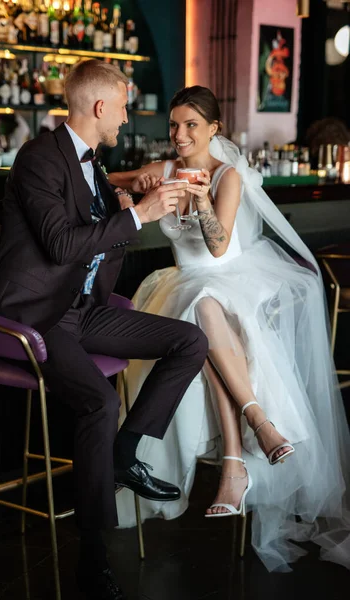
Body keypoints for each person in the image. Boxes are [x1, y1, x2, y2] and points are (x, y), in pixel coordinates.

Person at [0, 62, 209, 600]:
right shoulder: (38, 157)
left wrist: (128, 201)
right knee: (98, 405)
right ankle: (92, 555)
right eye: (125, 106)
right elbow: (62, 246)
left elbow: (95, 241)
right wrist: (139, 216)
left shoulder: (94, 166)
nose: (129, 118)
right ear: (99, 108)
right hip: (38, 314)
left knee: (189, 341)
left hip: (83, 309)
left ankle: (124, 455)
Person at [109, 86, 350, 573]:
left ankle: (242, 454)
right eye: (173, 125)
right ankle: (253, 433)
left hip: (233, 280)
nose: (179, 134)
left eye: (191, 125)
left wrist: (198, 201)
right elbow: (105, 176)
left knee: (204, 308)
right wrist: (121, 190)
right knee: (200, 312)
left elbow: (218, 249)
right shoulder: (163, 172)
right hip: (185, 285)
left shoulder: (228, 175)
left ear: (214, 130)